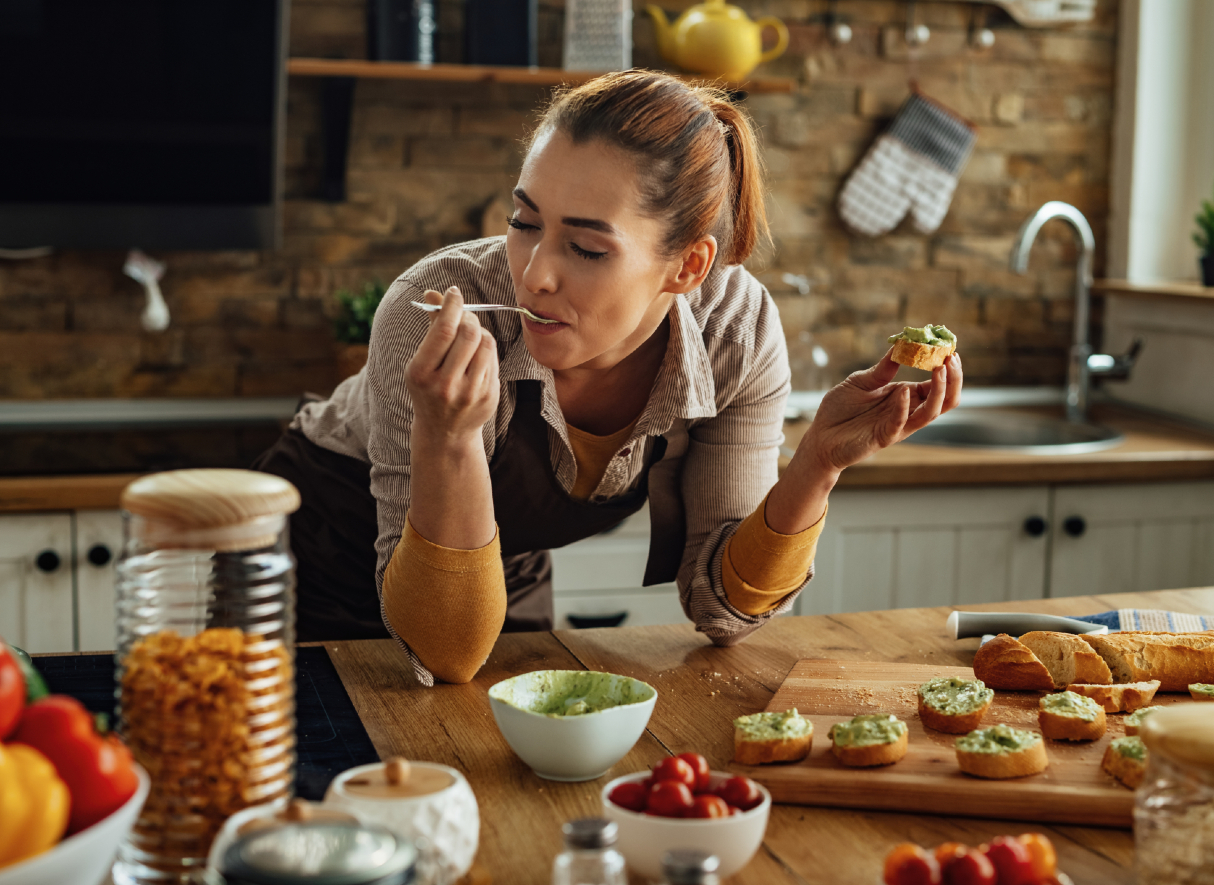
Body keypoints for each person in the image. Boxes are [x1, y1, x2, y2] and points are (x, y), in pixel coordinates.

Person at [253, 70, 963, 685]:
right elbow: (439, 652)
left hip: (500, 560)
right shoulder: (439, 306)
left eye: (587, 247)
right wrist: (447, 437)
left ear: (687, 266)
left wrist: (814, 465)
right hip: (324, 551)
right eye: (524, 221)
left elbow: (722, 609)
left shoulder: (734, 334)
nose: (535, 275)